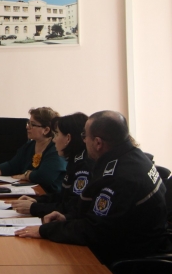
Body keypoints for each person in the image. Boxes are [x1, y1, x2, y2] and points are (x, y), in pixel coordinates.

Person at [16, 111, 172, 265]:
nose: (83, 141)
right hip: (141, 243)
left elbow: (94, 231)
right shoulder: (135, 156)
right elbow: (99, 217)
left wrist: (45, 230)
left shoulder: (118, 177)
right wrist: (67, 218)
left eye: (85, 136)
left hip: (131, 259)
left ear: (98, 143)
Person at [10, 112, 92, 216]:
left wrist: (34, 208)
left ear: (68, 138)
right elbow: (62, 197)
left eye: (57, 134)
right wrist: (37, 200)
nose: (54, 140)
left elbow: (72, 208)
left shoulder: (83, 167)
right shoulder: (73, 160)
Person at [0, 107, 66, 193]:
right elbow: (12, 165)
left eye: (32, 124)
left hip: (49, 197)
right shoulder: (29, 146)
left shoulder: (56, 149)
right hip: (29, 193)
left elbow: (43, 177)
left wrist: (25, 175)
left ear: (46, 130)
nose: (27, 127)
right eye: (28, 123)